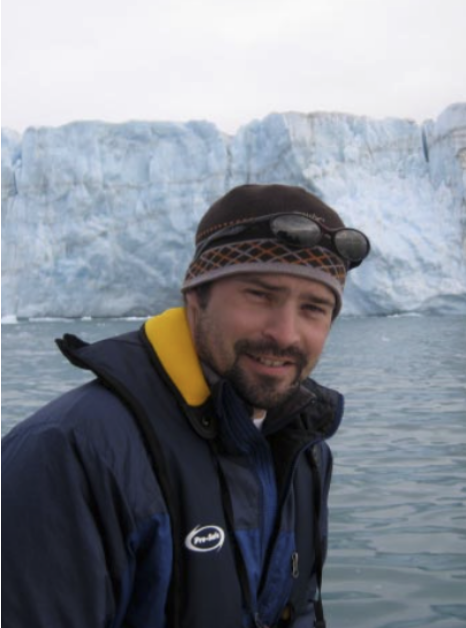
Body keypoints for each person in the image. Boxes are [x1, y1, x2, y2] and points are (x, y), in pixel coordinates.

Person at [2, 183, 371, 628]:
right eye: (260, 295)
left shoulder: (303, 449)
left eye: (314, 307)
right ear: (195, 297)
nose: (286, 333)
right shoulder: (72, 453)